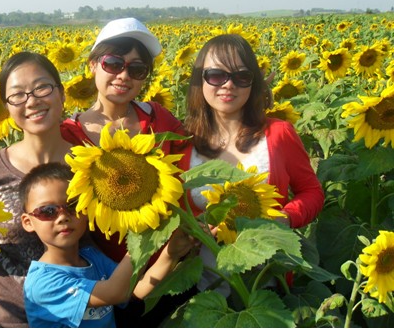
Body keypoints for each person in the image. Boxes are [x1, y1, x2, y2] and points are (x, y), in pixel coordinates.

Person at [60, 17, 194, 326]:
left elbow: (198, 153)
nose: (124, 76)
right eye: (113, 63)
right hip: (105, 278)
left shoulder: (158, 118)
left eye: (137, 70)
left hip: (172, 267)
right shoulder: (68, 132)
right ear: (93, 65)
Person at [182, 33, 325, 292]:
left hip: (268, 282)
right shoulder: (183, 143)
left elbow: (312, 192)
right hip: (202, 286)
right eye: (216, 75)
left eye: (241, 77)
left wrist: (285, 218)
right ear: (199, 81)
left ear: (253, 83)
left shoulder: (278, 133)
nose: (228, 85)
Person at [0, 51, 73, 327]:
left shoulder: (88, 163)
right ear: (7, 106)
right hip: (8, 317)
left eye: (42, 87)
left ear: (61, 94)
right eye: (18, 95)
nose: (32, 101)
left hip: (81, 313)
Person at [20, 162, 193, 328]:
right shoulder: (43, 284)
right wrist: (142, 236)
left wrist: (171, 254)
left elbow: (134, 289)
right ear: (28, 222)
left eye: (73, 205)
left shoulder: (91, 257)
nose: (63, 216)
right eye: (47, 211)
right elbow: (115, 292)